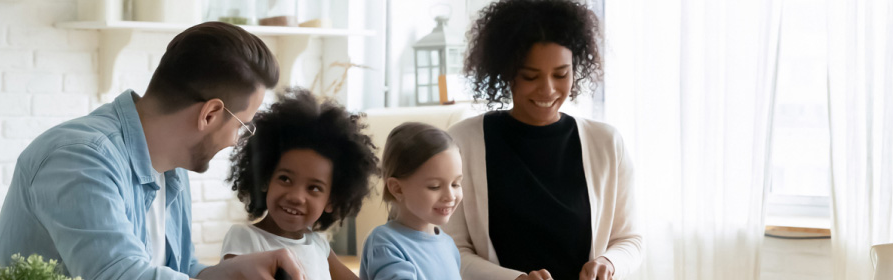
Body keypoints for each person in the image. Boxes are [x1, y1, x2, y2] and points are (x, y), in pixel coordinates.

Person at [0, 22, 305, 280]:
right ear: (209, 114)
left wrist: (229, 271)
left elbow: (175, 271)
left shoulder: (173, 168)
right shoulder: (79, 157)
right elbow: (120, 275)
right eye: (242, 126)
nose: (236, 141)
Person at [444, 0, 642, 280]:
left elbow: (629, 239)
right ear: (506, 72)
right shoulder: (461, 143)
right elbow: (450, 248)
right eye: (530, 76)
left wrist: (609, 263)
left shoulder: (607, 144)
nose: (548, 89)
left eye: (561, 74)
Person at [220, 89, 378, 280]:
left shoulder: (319, 245)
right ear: (264, 179)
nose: (296, 196)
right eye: (285, 179)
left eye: (314, 188)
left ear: (332, 200)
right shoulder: (244, 238)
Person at [360, 122, 464, 280]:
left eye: (456, 184)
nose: (450, 196)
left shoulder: (448, 245)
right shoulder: (385, 243)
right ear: (397, 189)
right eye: (435, 186)